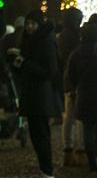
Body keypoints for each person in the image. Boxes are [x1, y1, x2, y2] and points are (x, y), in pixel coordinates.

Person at [10, 10, 61, 178]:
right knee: (36, 135)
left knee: (41, 136)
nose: (30, 26)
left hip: (41, 96)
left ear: (39, 24)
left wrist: (25, 63)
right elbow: (25, 67)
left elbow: (50, 72)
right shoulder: (28, 41)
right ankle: (44, 169)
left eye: (33, 23)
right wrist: (16, 64)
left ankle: (47, 171)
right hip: (31, 95)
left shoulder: (46, 42)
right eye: (28, 24)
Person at [65, 23, 97, 173]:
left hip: (83, 94)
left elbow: (70, 75)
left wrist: (76, 88)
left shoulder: (75, 54)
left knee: (87, 129)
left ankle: (92, 164)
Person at [56, 7, 83, 167]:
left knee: (69, 117)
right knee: (78, 117)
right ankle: (80, 151)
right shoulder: (74, 36)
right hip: (77, 80)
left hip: (67, 80)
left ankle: (68, 149)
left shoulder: (62, 36)